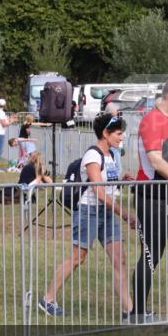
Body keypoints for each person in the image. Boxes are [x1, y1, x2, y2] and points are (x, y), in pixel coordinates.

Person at [39, 113, 136, 319]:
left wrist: (121, 180)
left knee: (120, 260)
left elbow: (108, 186)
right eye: (119, 133)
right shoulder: (93, 156)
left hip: (107, 214)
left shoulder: (111, 155)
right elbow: (99, 193)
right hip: (89, 213)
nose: (122, 137)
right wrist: (125, 214)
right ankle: (47, 299)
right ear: (105, 133)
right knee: (77, 259)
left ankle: (130, 311)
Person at [131, 77, 168, 323]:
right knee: (151, 255)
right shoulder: (152, 120)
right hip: (152, 199)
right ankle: (138, 313)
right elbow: (156, 160)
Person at [0, 98, 16, 172]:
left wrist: (10, 119)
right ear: (4, 105)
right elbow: (4, 124)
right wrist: (12, 121)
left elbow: (3, 121)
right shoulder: (1, 112)